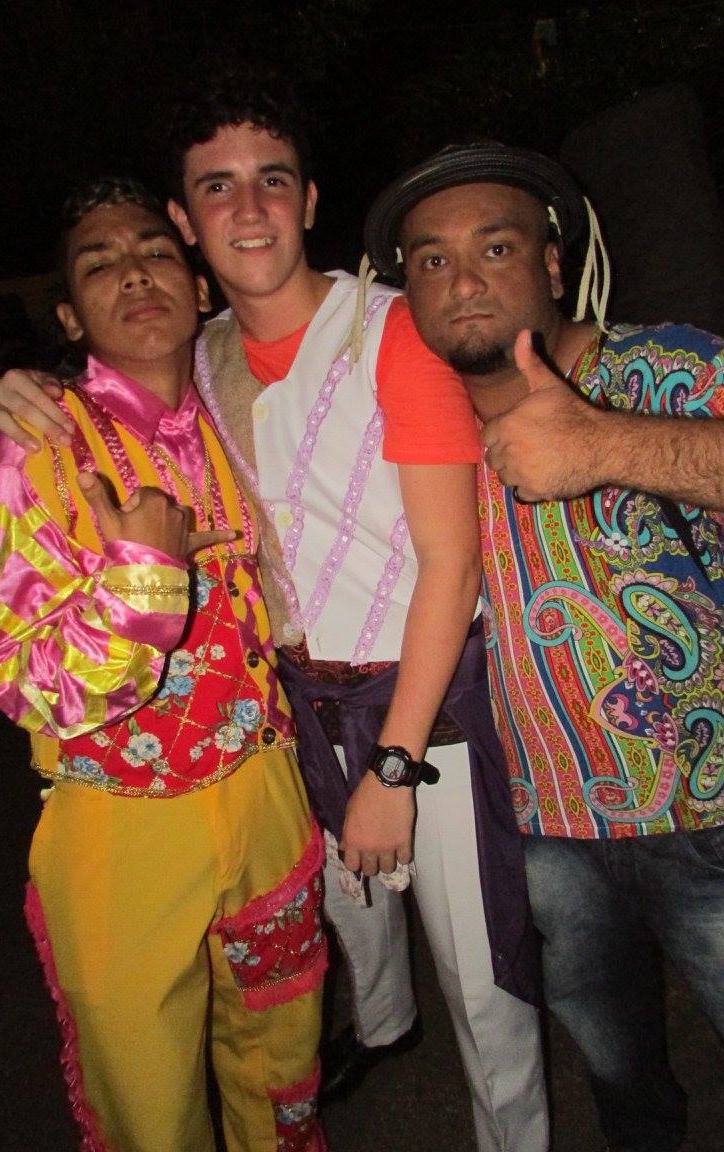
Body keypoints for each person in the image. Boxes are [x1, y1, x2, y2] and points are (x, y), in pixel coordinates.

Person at [0, 73, 548, 1152]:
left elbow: (451, 561)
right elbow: (26, 662)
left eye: (271, 181)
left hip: (383, 732)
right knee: (219, 1051)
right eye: (215, 189)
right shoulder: (129, 397)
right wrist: (23, 403)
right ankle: (381, 1033)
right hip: (221, 767)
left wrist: (393, 769)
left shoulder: (351, 342)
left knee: (439, 1003)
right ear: (187, 224)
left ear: (308, 200)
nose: (247, 211)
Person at [363, 140, 724, 1152]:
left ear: (553, 264)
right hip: (550, 831)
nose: (463, 280)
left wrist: (607, 445)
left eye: (496, 246)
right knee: (620, 1080)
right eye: (431, 260)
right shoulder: (420, 439)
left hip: (713, 813)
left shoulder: (660, 368)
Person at [0, 177, 327, 1152]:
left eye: (155, 252)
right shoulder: (28, 457)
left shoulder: (236, 410)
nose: (133, 274)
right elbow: (23, 681)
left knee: (282, 1066)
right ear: (68, 317)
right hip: (123, 825)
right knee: (152, 1114)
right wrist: (142, 583)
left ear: (201, 288)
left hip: (263, 789)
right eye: (100, 264)